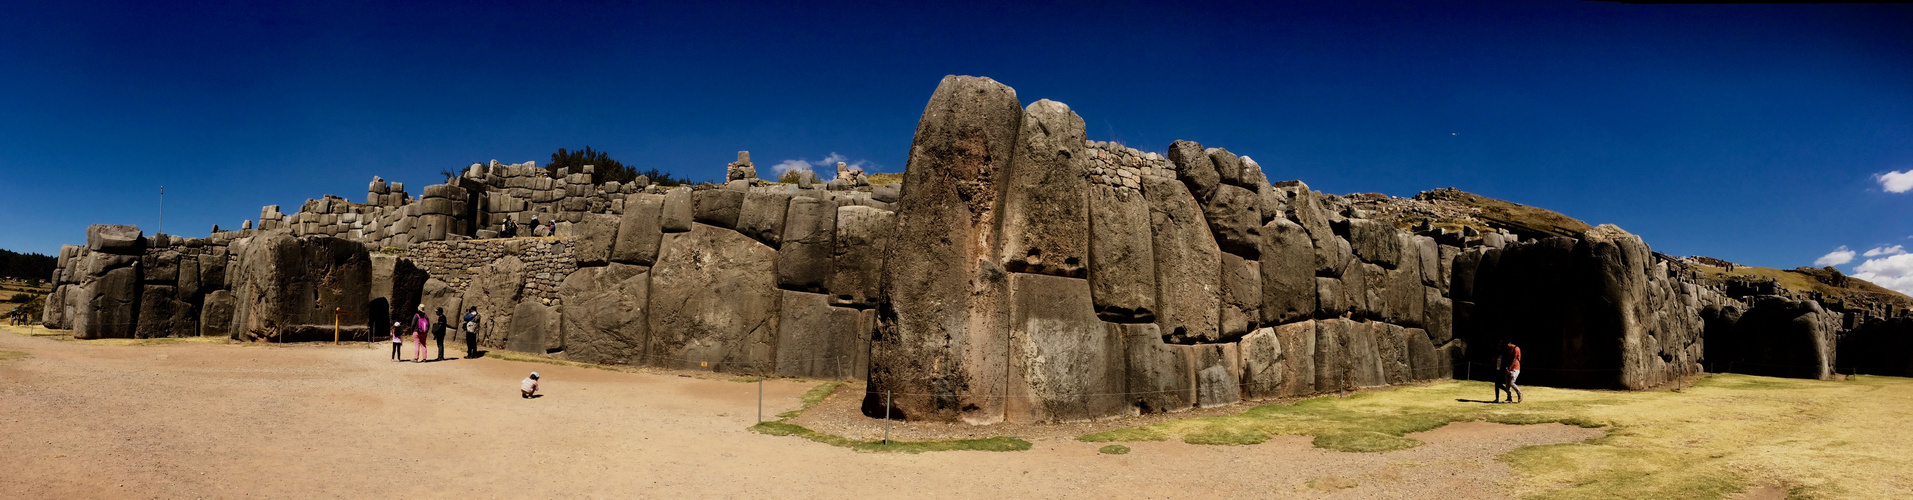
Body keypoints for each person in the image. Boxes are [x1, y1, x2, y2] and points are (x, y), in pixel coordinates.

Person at [1495, 339, 1523, 404]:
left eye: (1507, 344)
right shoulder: (1508, 350)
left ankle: (1519, 393)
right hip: (1508, 369)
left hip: (1515, 368)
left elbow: (1514, 359)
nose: (1506, 346)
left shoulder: (1516, 349)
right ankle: (1509, 398)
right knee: (1507, 385)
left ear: (1510, 343)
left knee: (1511, 383)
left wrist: (1509, 368)